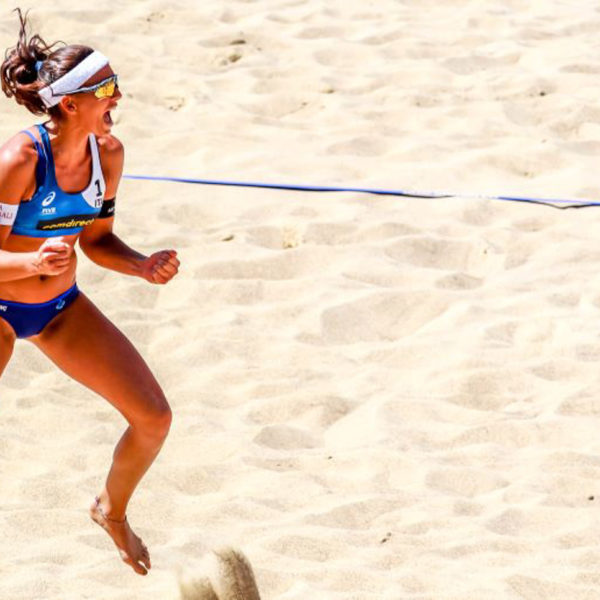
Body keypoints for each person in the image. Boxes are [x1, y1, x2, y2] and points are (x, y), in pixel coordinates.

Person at [0, 9, 180, 576]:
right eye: (107, 88)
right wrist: (31, 260)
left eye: (116, 84)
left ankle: (112, 511)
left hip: (57, 310)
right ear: (71, 103)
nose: (118, 96)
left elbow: (97, 240)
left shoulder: (110, 154)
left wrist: (140, 264)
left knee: (153, 419)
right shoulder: (20, 159)